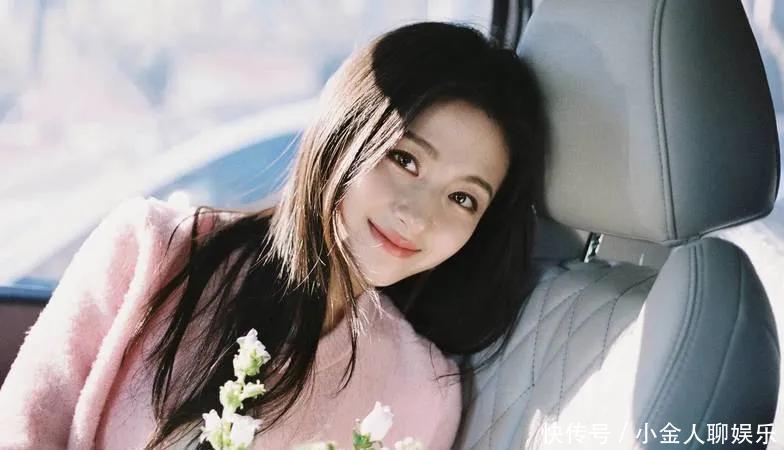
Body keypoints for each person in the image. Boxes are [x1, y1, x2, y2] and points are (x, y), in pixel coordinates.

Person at [0, 21, 544, 449]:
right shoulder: (150, 251)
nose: (419, 216)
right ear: (343, 133)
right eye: (405, 160)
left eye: (463, 198)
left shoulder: (426, 393)